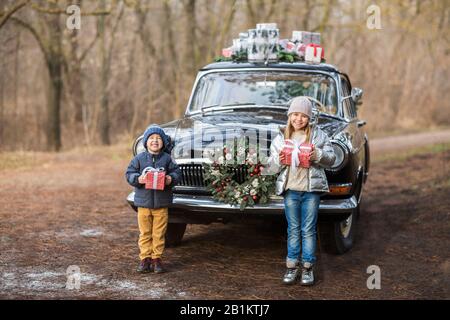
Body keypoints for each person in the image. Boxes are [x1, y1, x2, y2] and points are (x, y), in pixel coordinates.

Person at [267, 96, 336, 286]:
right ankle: (291, 266)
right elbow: (270, 167)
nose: (299, 119)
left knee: (308, 230)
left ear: (309, 118)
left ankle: (307, 267)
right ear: (289, 116)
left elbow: (332, 159)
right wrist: (279, 161)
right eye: (295, 114)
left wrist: (318, 155)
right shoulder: (281, 137)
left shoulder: (318, 135)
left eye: (304, 116)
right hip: (291, 191)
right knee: (293, 229)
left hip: (311, 191)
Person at [125, 125, 181, 274]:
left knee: (159, 233)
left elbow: (177, 173)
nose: (155, 141)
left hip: (161, 205)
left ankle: (157, 259)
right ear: (146, 142)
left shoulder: (167, 159)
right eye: (151, 138)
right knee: (145, 233)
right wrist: (139, 178)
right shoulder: (139, 159)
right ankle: (145, 259)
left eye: (158, 139)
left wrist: (171, 179)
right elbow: (129, 174)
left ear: (163, 142)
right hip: (143, 204)